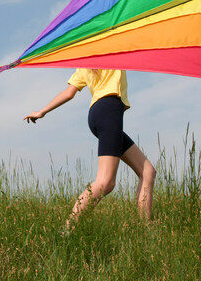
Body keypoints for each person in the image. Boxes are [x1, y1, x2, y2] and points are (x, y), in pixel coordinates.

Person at [24, 69, 155, 231]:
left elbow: (69, 93)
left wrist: (42, 111)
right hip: (109, 111)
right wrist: (42, 111)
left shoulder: (84, 63)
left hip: (99, 113)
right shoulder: (113, 49)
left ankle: (146, 230)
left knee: (147, 171)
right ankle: (65, 232)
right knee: (105, 181)